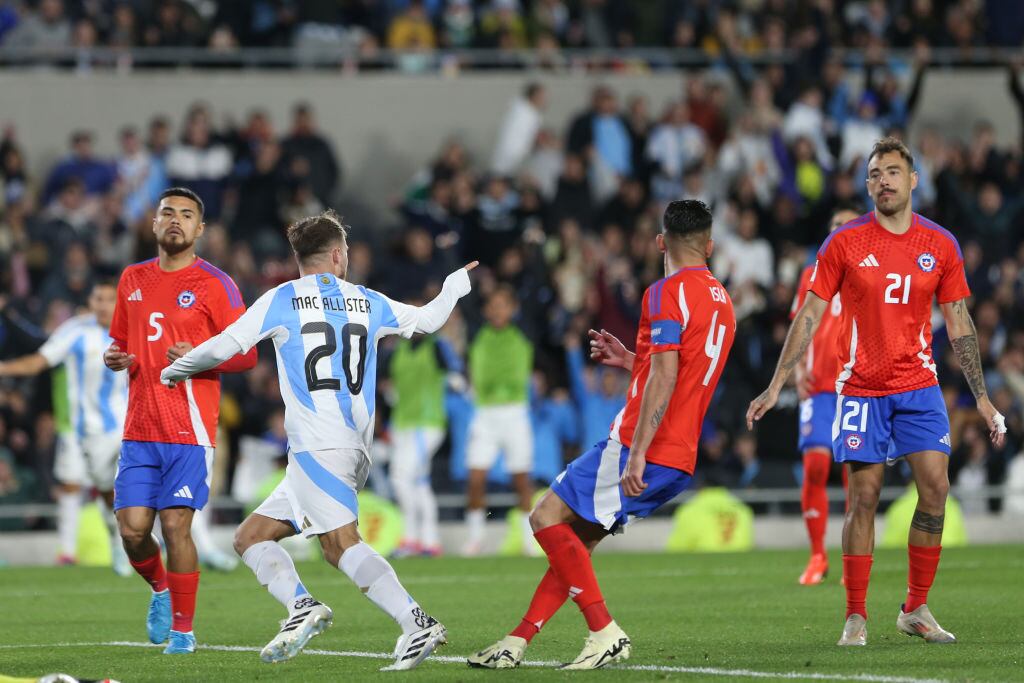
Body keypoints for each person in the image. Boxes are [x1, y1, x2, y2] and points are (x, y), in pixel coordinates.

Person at [161, 210, 477, 670]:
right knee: (251, 537)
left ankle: (416, 622)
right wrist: (453, 286)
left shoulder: (282, 298)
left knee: (339, 544)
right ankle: (302, 608)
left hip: (317, 443)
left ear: (302, 259)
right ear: (337, 255)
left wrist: (176, 369)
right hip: (351, 445)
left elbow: (229, 344)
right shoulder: (366, 300)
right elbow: (429, 321)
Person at [746, 137, 1006, 647]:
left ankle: (915, 607)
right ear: (867, 186)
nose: (882, 180)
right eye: (873, 174)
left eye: (892, 171)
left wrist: (981, 396)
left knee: (936, 489)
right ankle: (856, 615)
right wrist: (778, 383)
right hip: (861, 389)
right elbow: (810, 314)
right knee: (862, 498)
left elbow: (959, 321)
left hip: (920, 386)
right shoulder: (844, 243)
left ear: (913, 180)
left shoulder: (940, 244)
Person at [468, 199, 735, 669]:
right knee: (576, 544)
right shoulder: (723, 302)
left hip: (641, 443)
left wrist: (636, 454)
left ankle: (604, 631)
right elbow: (684, 373)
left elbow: (668, 377)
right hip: (680, 455)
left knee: (545, 518)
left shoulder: (664, 291)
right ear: (709, 246)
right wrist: (635, 361)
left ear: (659, 243)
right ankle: (518, 639)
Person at [103, 187, 257, 655]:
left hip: (189, 431)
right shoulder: (132, 278)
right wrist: (115, 357)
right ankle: (160, 591)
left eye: (186, 215)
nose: (176, 220)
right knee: (131, 531)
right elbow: (120, 343)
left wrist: (200, 357)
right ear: (153, 224)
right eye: (167, 212)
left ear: (200, 229)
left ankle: (184, 633)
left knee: (175, 527)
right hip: (139, 429)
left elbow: (247, 356)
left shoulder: (217, 283)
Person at [0, 278, 128, 571]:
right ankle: (67, 552)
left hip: (117, 429)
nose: (103, 304)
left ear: (118, 302)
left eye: (109, 299)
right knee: (70, 486)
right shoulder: (74, 330)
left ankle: (119, 545)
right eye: (98, 298)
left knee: (111, 492)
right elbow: (40, 361)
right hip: (76, 427)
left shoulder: (133, 329)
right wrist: (5, 368)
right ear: (90, 302)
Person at [791, 202, 862, 585]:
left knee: (856, 473)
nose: (840, 230)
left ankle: (853, 555)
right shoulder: (810, 274)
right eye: (835, 223)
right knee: (816, 465)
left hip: (855, 386)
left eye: (848, 225)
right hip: (818, 388)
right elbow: (799, 325)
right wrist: (798, 369)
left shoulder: (871, 274)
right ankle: (818, 555)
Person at [463, 285, 535, 556]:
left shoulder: (523, 334)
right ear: (485, 310)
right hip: (485, 414)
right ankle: (475, 538)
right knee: (475, 478)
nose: (497, 310)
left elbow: (534, 290)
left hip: (515, 412)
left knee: (521, 480)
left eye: (502, 304)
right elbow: (466, 304)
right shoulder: (477, 334)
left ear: (512, 309)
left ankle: (529, 541)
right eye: (492, 305)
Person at [386, 321, 464, 558]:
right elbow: (385, 379)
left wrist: (457, 382)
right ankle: (430, 542)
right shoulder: (396, 350)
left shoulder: (437, 346)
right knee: (419, 481)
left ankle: (410, 538)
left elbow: (456, 371)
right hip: (402, 423)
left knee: (400, 476)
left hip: (427, 424)